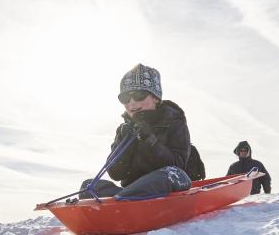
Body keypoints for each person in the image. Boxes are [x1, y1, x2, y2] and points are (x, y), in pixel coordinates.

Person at [80, 64, 194, 199]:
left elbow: (177, 166)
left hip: (170, 186)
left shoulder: (174, 122)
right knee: (89, 186)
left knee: (170, 174)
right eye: (125, 98)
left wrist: (149, 140)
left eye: (139, 95)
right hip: (132, 190)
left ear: (155, 98)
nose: (132, 103)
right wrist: (124, 140)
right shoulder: (124, 129)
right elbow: (116, 174)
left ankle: (123, 200)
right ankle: (125, 200)